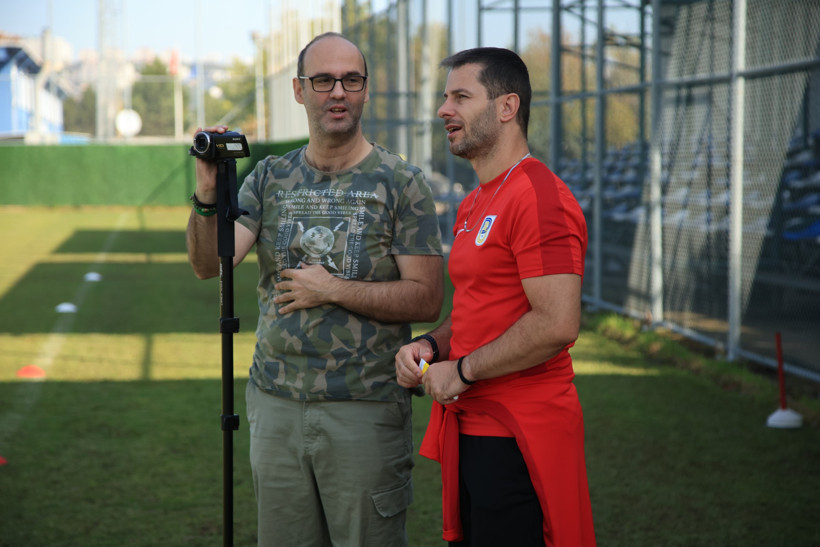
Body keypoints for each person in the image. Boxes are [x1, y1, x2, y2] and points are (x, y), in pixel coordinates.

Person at [186, 32, 444, 546]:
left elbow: (426, 297)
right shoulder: (269, 177)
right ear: (300, 91)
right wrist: (207, 193)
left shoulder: (402, 182)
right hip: (275, 406)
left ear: (366, 90)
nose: (338, 92)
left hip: (365, 411)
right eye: (323, 80)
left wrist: (332, 288)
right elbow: (208, 263)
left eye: (351, 80)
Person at [395, 47, 596, 546]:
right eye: (445, 98)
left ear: (507, 107)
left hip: (520, 435)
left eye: (461, 97)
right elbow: (475, 307)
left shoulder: (539, 196)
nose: (445, 110)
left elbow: (556, 323)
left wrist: (461, 371)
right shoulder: (476, 200)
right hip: (471, 426)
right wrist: (433, 348)